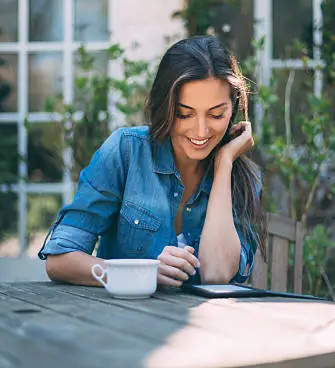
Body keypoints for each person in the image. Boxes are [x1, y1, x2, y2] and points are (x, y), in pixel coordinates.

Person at [37, 35, 267, 287]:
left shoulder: (243, 178)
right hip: (115, 321)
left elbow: (216, 274)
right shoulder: (126, 151)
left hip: (206, 325)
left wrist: (224, 164)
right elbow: (59, 261)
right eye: (184, 114)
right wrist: (140, 274)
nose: (201, 131)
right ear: (165, 107)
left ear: (232, 109)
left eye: (216, 114)